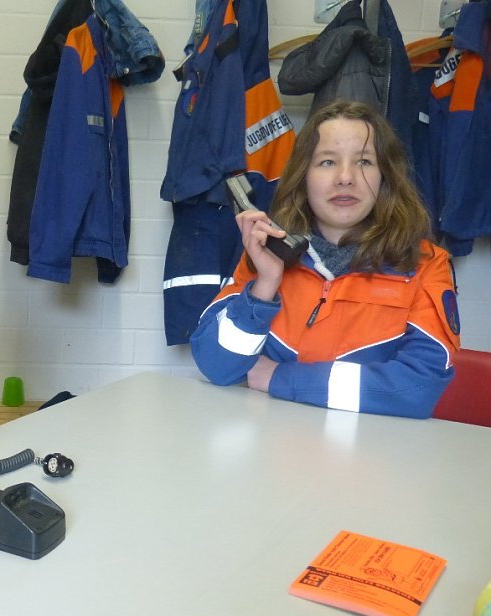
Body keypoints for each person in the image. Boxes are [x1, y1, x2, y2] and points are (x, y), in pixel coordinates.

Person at [190, 100, 461, 419]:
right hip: (268, 456)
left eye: (363, 162)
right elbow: (217, 368)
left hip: (374, 460)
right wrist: (263, 288)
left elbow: (417, 389)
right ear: (303, 177)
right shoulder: (267, 253)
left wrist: (278, 377)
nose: (345, 178)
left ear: (385, 177)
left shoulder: (427, 264)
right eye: (327, 162)